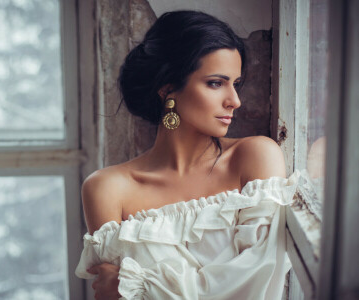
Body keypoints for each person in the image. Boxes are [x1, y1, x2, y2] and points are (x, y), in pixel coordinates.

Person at [75, 10, 302, 300]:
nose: (235, 100)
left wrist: (143, 288)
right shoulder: (106, 188)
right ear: (168, 89)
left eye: (236, 83)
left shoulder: (255, 156)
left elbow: (258, 280)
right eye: (216, 83)